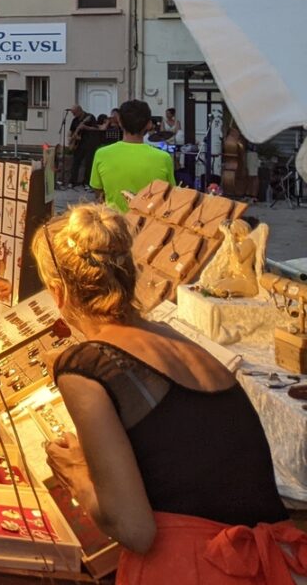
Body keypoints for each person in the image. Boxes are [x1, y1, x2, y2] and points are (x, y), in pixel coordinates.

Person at [33, 205, 307, 582]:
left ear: (58, 293)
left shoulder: (86, 365)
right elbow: (184, 456)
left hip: (200, 569)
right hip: (273, 564)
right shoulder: (175, 339)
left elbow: (134, 530)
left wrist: (77, 475)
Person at [90, 99, 176, 212]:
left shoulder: (102, 154)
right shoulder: (163, 158)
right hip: (149, 226)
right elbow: (170, 195)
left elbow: (98, 192)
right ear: (149, 124)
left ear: (120, 122)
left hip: (115, 225)